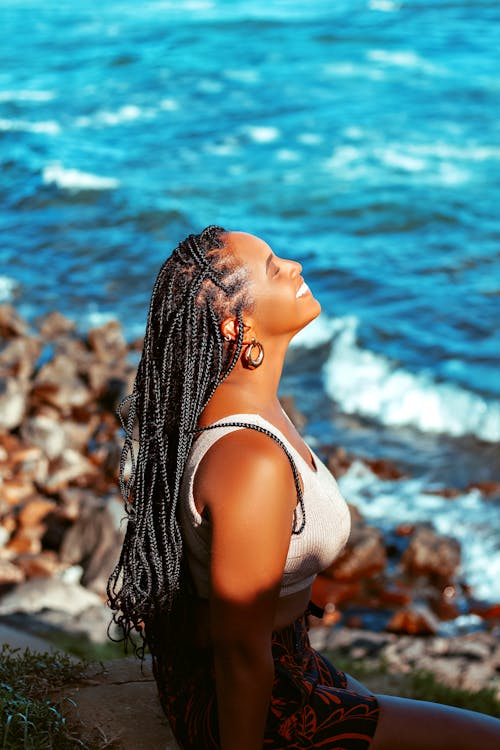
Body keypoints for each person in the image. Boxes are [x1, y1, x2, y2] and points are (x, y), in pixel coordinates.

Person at [107, 226, 500, 750]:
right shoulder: (251, 460)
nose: (293, 265)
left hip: (288, 661)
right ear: (236, 326)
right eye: (272, 266)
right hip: (259, 707)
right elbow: (242, 654)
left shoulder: (239, 402)